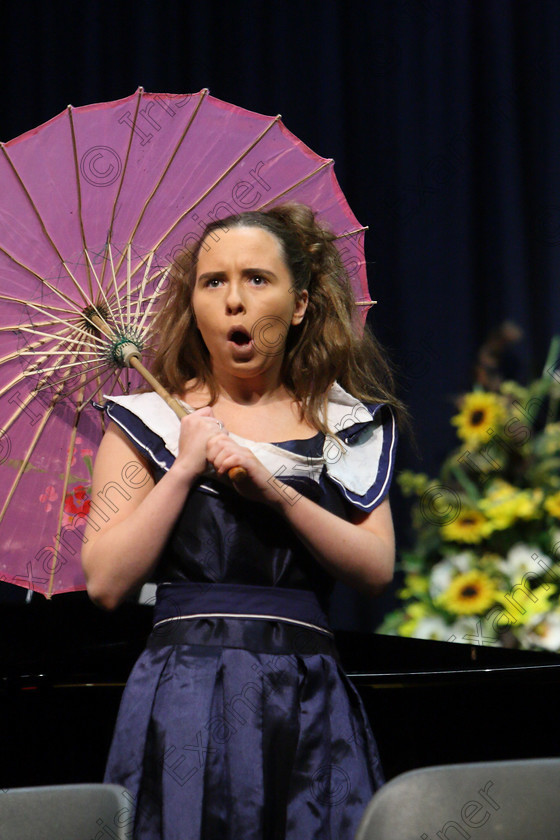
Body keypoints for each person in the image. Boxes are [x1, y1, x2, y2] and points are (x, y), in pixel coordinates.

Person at [82, 202, 407, 840]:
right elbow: (106, 583)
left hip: (305, 692)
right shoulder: (148, 420)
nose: (234, 300)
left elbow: (375, 569)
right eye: (214, 282)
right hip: (184, 694)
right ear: (194, 304)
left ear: (302, 304)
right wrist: (182, 469)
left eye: (257, 279)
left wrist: (274, 493)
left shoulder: (344, 422)